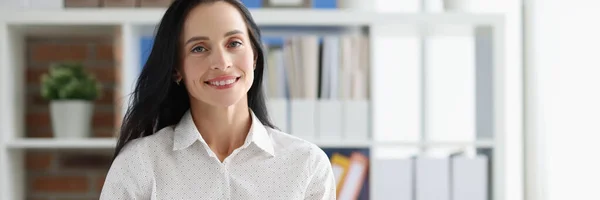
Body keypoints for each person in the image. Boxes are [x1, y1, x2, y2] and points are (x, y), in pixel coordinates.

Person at [99, 0, 336, 199]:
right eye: (199, 48)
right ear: (176, 69)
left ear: (254, 55)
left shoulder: (307, 164)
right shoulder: (139, 164)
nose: (222, 63)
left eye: (234, 43)